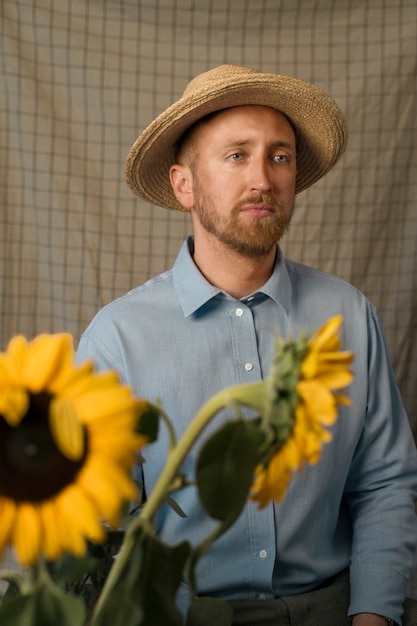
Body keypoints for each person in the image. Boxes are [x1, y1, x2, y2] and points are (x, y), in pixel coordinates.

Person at [76, 65, 417, 625]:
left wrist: (373, 616)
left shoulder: (349, 316)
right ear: (184, 184)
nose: (263, 177)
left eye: (279, 156)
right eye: (236, 155)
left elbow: (385, 483)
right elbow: (104, 530)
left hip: (337, 610)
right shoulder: (117, 341)